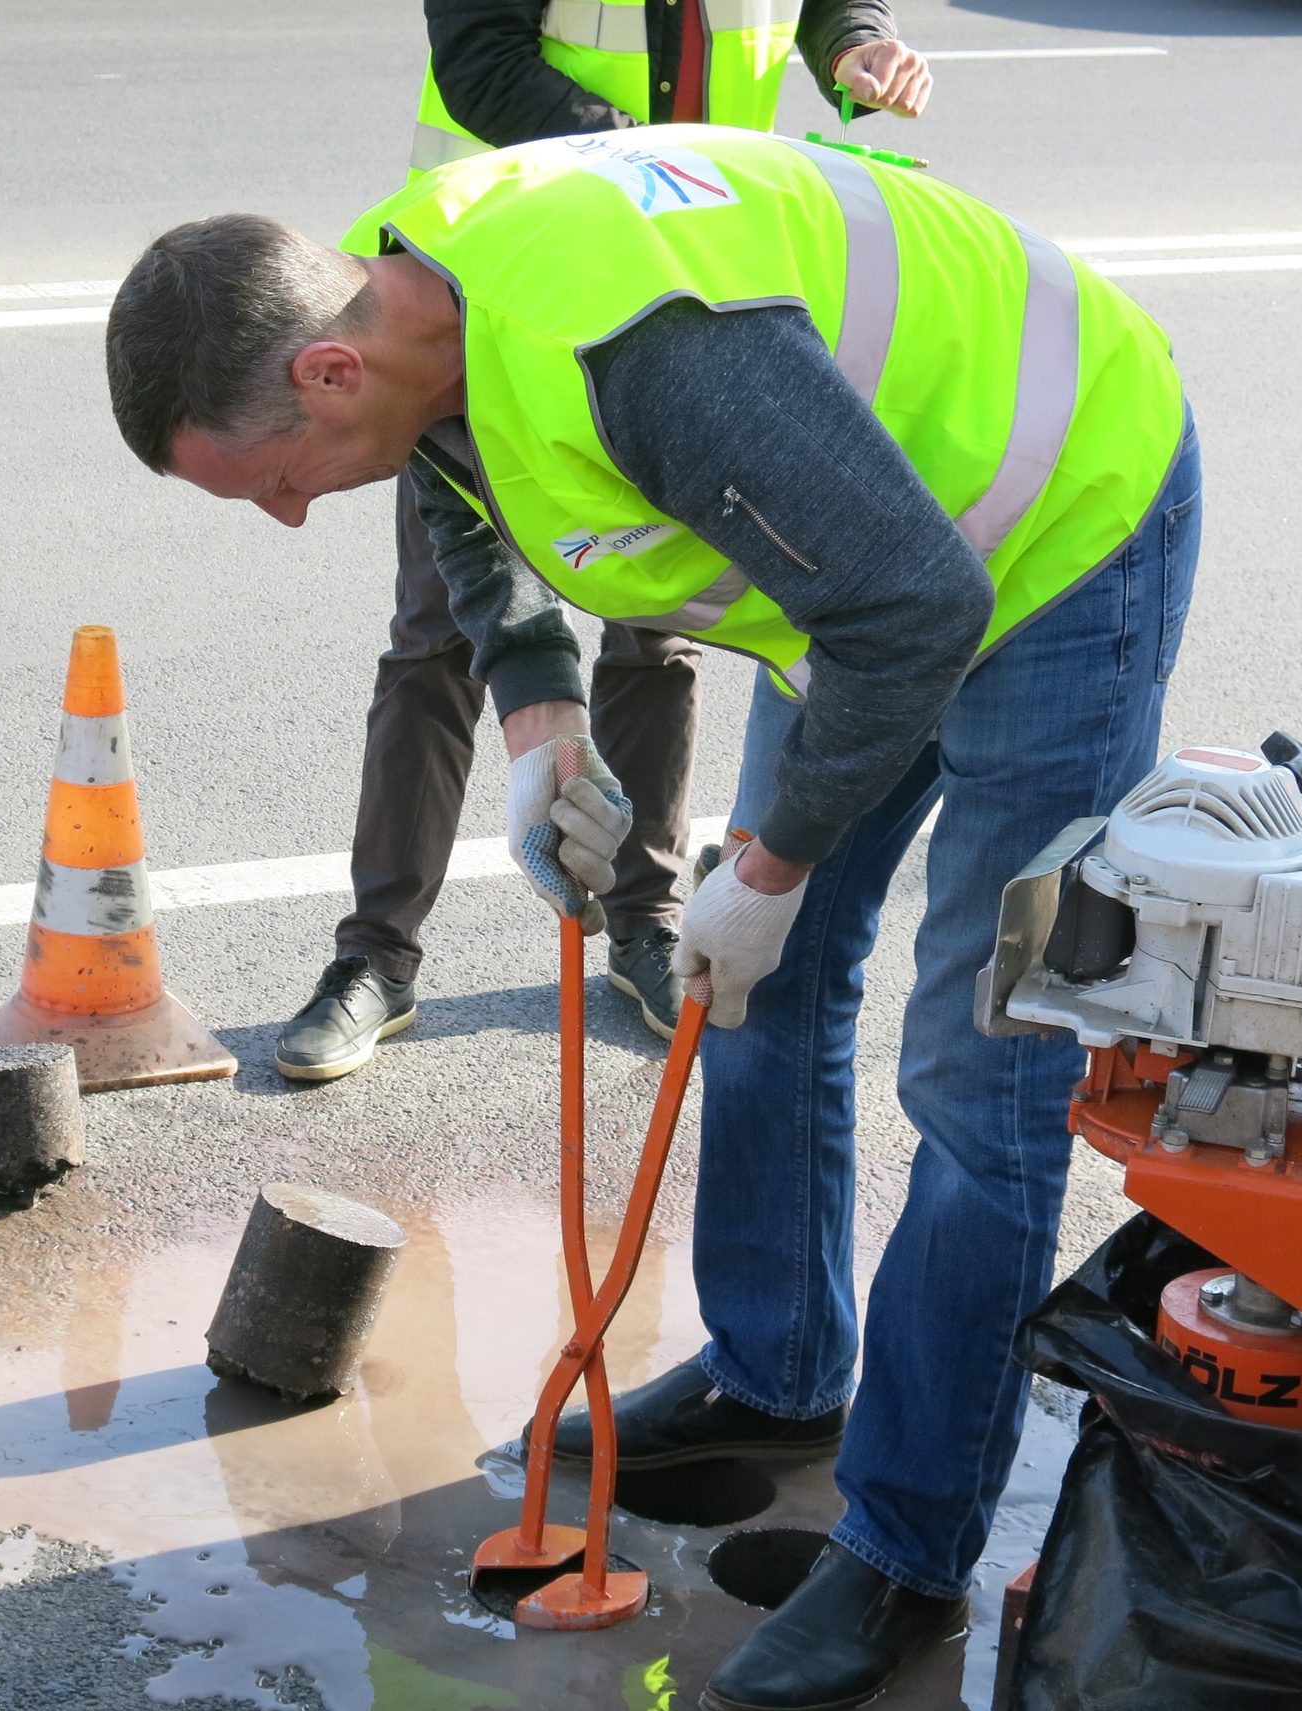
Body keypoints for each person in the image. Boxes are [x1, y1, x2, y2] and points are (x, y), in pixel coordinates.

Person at [103, 122, 1199, 1711]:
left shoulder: (640, 347)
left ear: (331, 373)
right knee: (754, 990)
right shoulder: (402, 293)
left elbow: (916, 620)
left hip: (1051, 537)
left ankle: (904, 1547)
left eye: (274, 483)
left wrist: (765, 869)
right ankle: (777, 1372)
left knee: (981, 1074)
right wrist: (544, 720)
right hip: (876, 564)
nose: (287, 517)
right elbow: (461, 493)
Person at [277, 0, 933, 1080]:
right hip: (493, 280)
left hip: (690, 270)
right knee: (443, 628)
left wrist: (852, 44)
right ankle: (377, 956)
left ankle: (642, 917)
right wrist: (626, 154)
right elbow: (481, 60)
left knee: (658, 614)